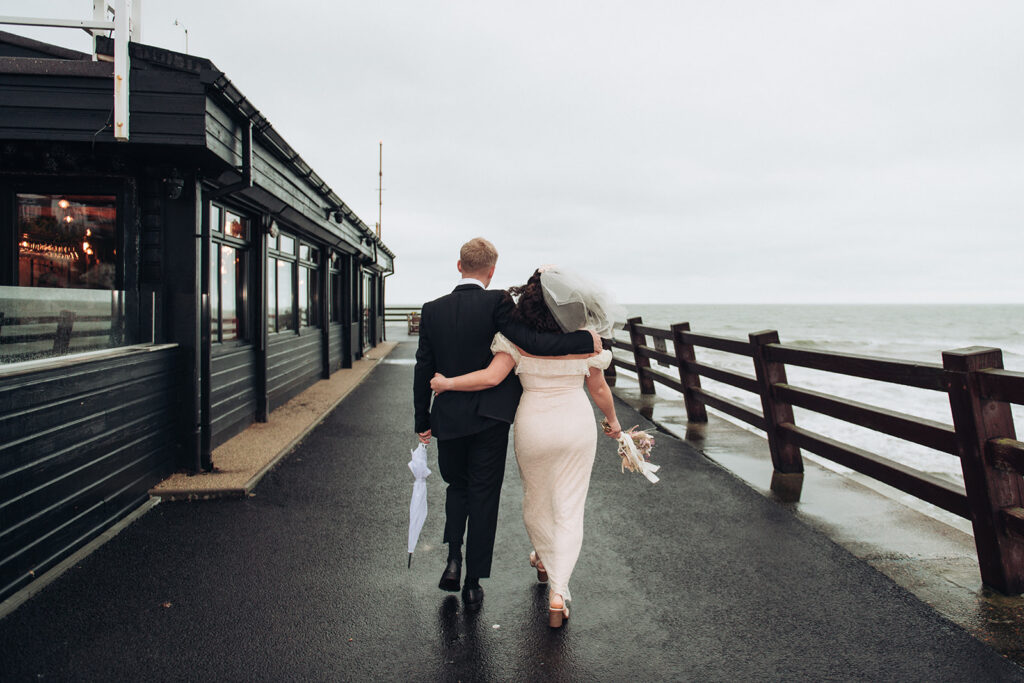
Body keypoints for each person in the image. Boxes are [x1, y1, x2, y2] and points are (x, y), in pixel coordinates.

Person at [430, 266, 623, 628]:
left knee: (537, 499)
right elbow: (598, 389)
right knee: (569, 507)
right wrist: (614, 423)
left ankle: (544, 558)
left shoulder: (515, 339)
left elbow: (490, 377)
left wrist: (447, 383)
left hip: (533, 425)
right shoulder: (585, 338)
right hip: (575, 425)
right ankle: (557, 591)